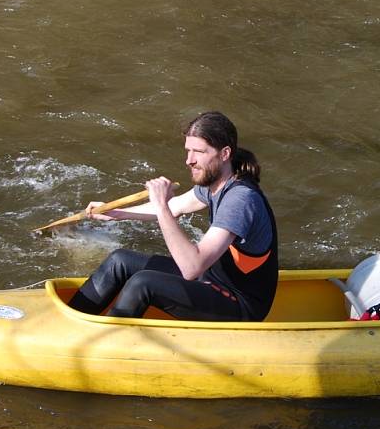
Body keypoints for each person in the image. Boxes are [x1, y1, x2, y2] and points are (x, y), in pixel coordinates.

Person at [67, 111, 278, 321]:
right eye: (188, 150)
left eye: (199, 152)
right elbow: (176, 205)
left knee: (143, 283)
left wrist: (161, 206)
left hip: (239, 303)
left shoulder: (240, 200)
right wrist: (116, 213)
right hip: (211, 279)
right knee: (119, 261)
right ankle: (71, 322)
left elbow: (191, 267)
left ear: (224, 154)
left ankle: (105, 347)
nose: (189, 160)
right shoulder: (216, 182)